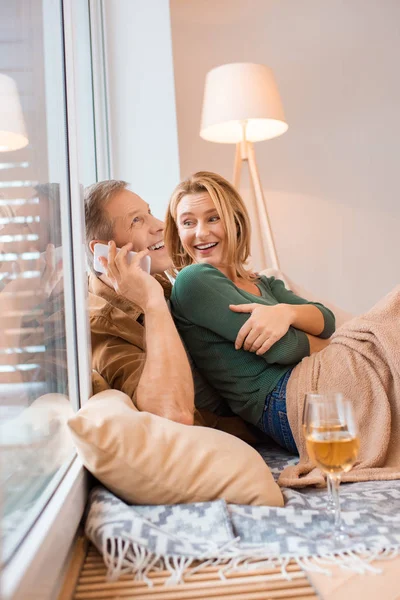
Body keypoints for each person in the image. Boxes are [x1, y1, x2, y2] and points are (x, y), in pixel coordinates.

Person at [165, 171, 336, 454]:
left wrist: (286, 314)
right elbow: (283, 348)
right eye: (188, 223)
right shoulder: (194, 281)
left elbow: (326, 319)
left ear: (235, 221)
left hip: (314, 384)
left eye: (213, 218)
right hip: (285, 403)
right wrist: (334, 346)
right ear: (178, 231)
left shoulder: (262, 282)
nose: (201, 233)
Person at [84, 179, 263, 442]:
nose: (160, 225)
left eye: (150, 212)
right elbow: (173, 415)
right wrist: (152, 303)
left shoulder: (161, 278)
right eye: (137, 221)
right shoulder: (102, 326)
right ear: (103, 253)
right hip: (243, 432)